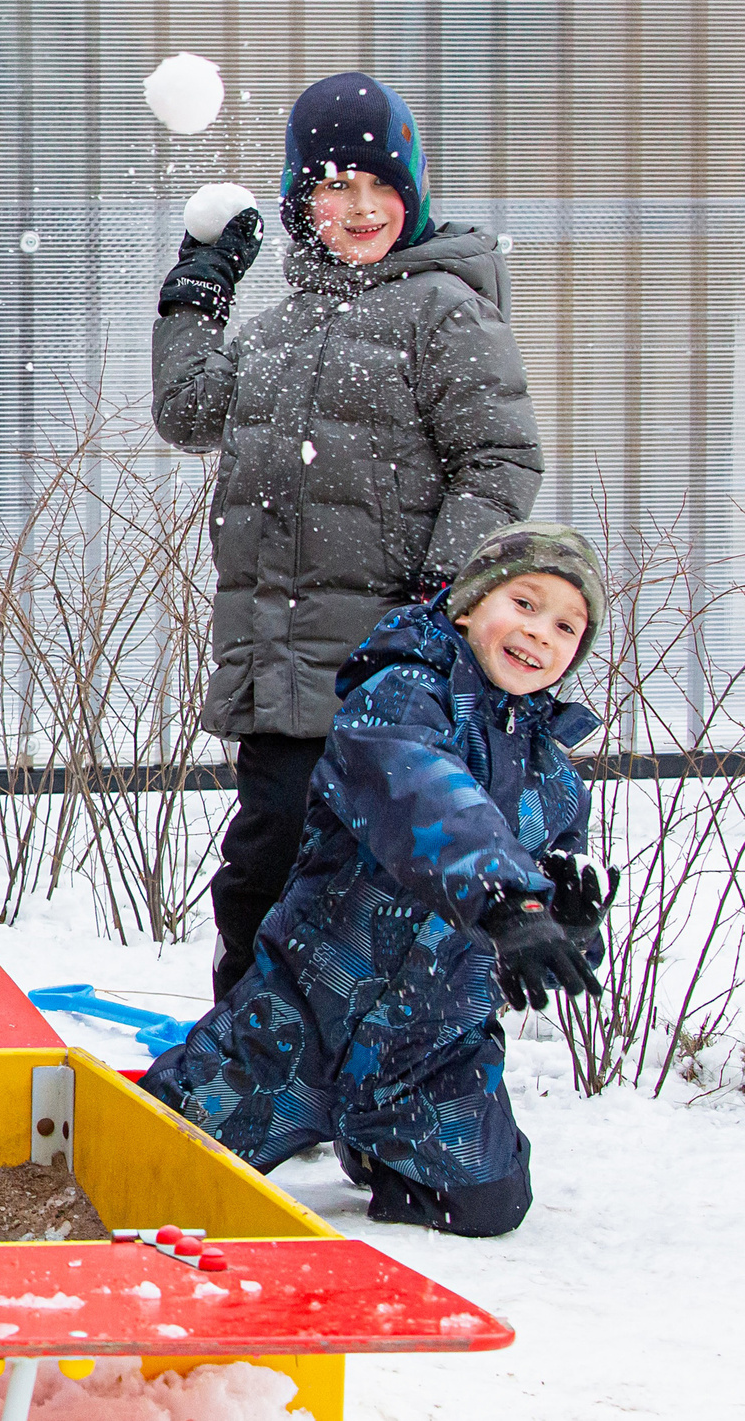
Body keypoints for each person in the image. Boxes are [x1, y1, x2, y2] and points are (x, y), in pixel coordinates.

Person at [154, 72, 544, 999]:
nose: (360, 207)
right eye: (334, 186)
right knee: (263, 878)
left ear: (413, 194)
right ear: (303, 203)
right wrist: (194, 302)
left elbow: (498, 459)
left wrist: (434, 606)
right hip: (281, 674)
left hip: (386, 679)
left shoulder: (444, 310)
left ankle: (359, 1060)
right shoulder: (281, 328)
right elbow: (188, 411)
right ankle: (246, 1053)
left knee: (370, 892)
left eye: (380, 185)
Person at [142, 523, 613, 1237]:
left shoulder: (556, 780)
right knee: (155, 1165)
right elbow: (422, 793)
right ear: (467, 606)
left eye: (565, 627)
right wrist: (506, 899)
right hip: (306, 1015)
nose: (539, 632)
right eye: (524, 602)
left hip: (431, 1045)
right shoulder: (400, 697)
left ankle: (379, 1140)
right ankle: (273, 1109)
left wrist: (564, 921)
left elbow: (543, 897)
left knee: (488, 1204)